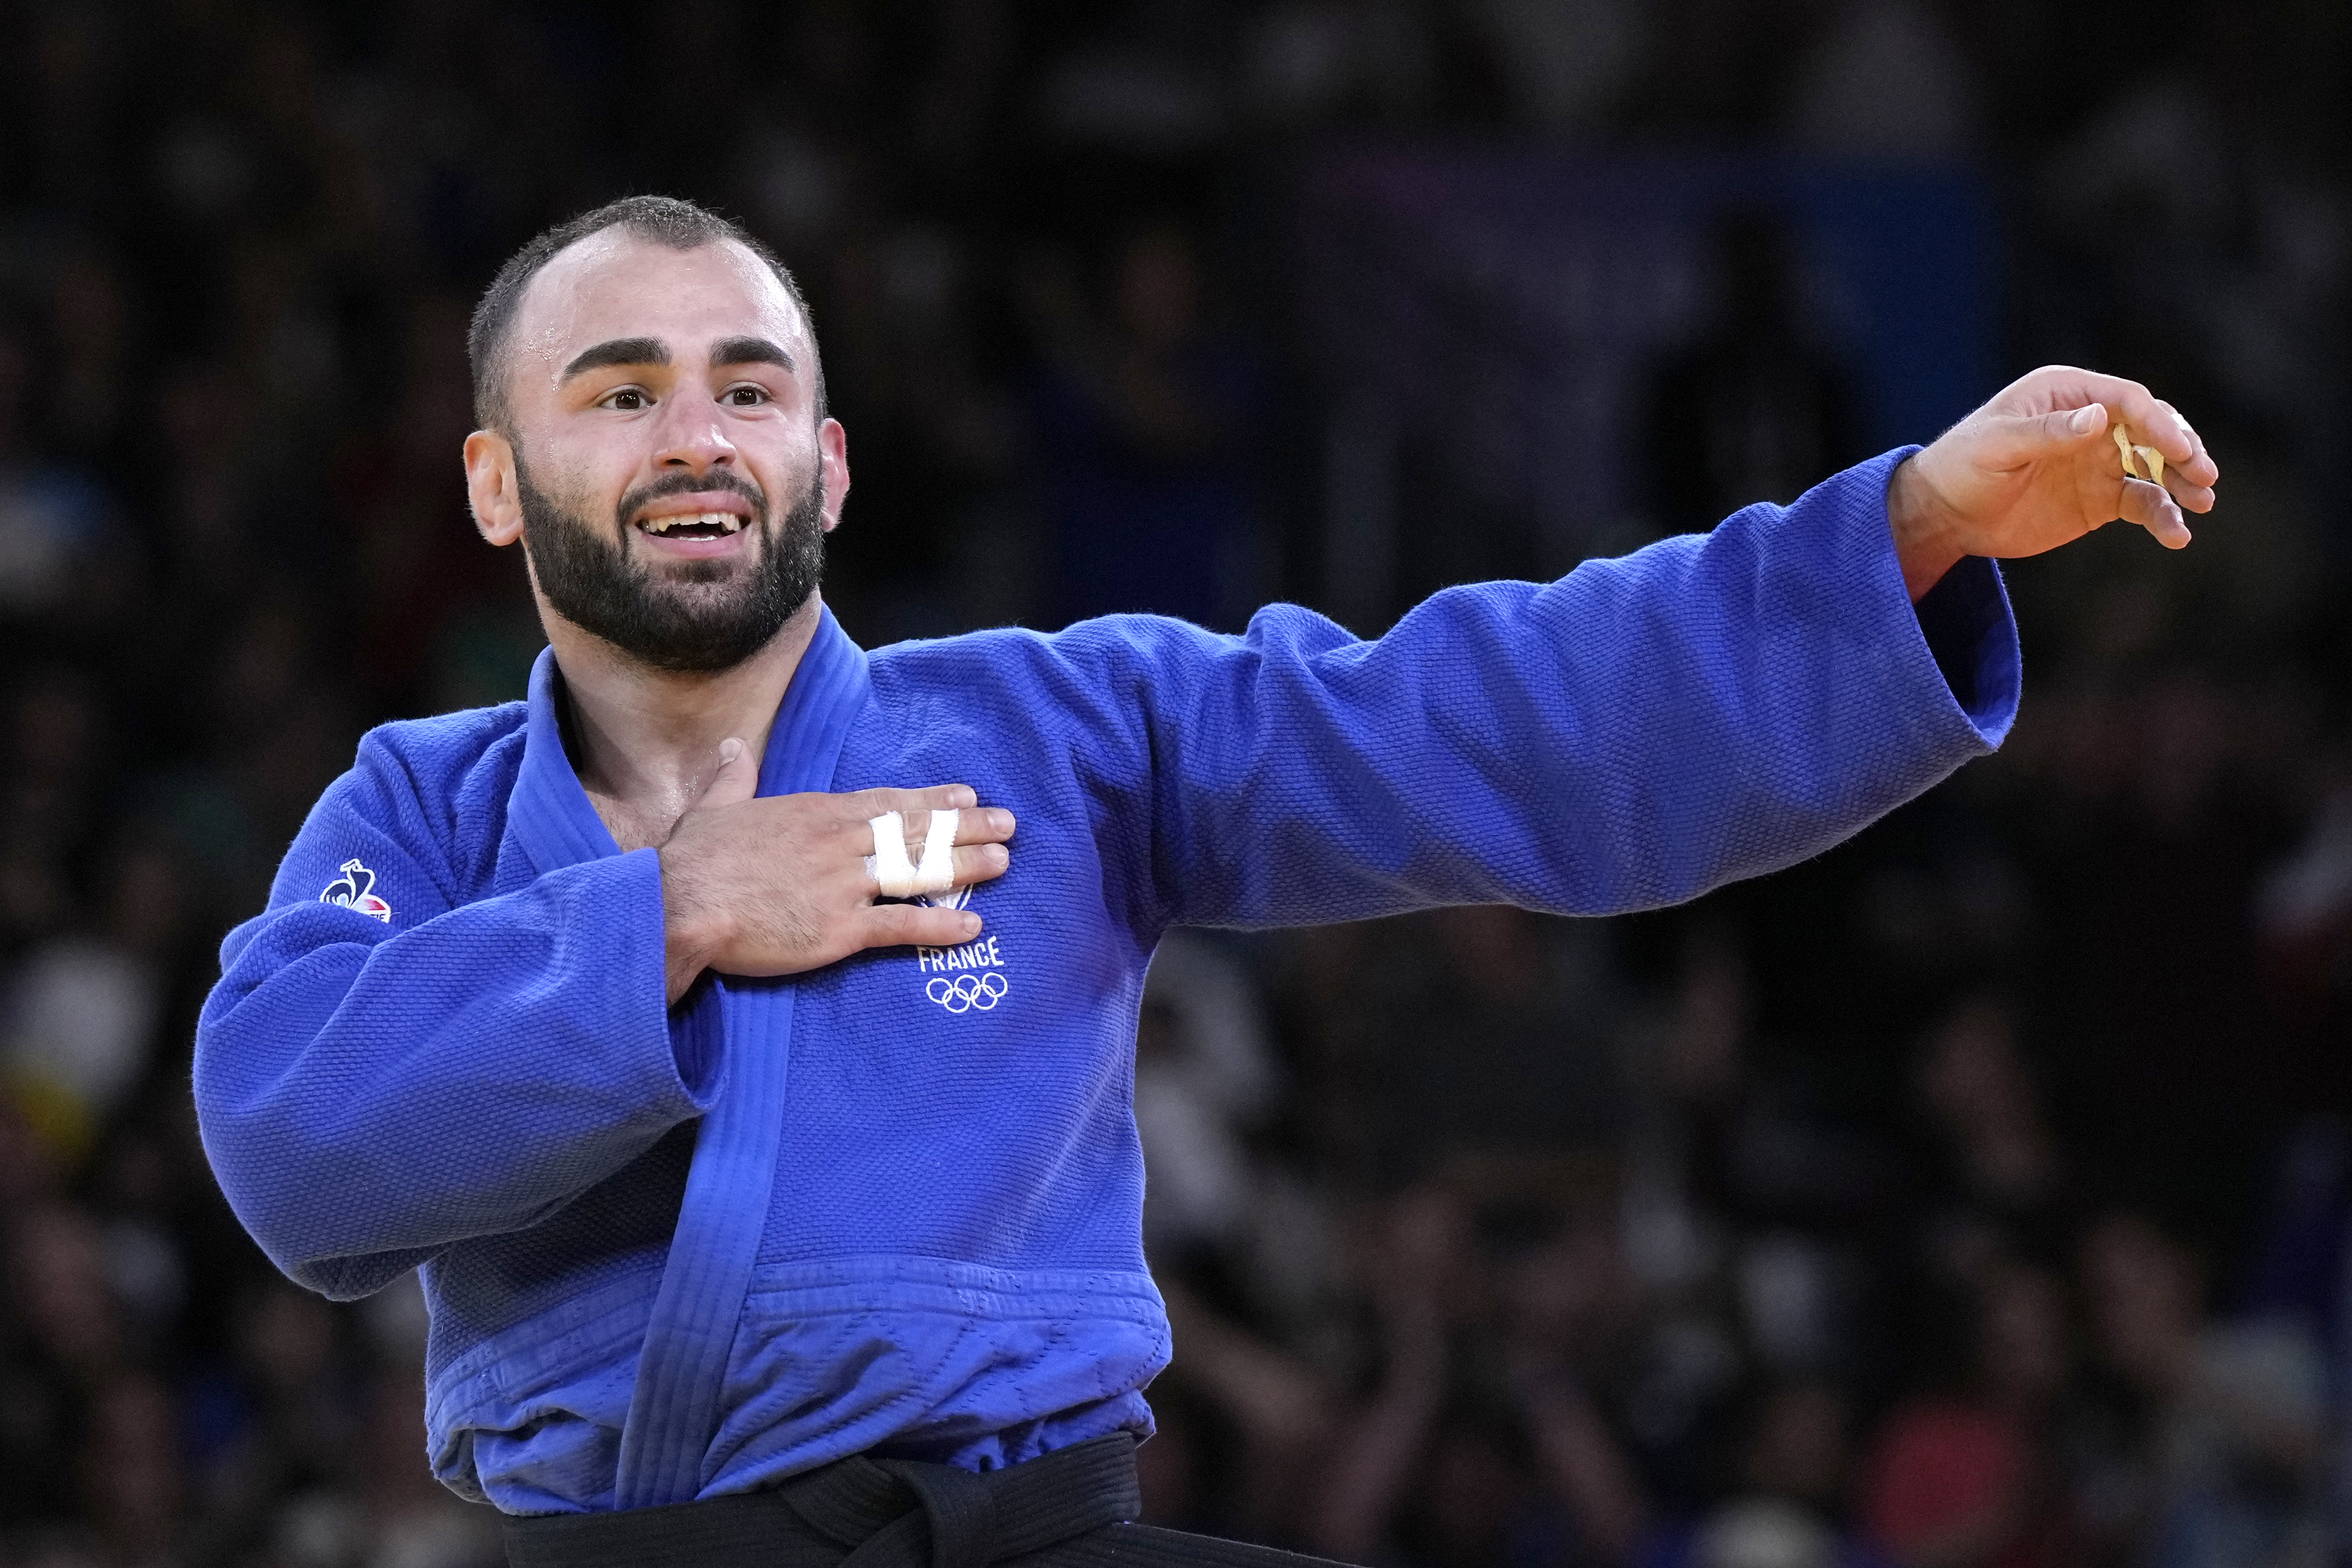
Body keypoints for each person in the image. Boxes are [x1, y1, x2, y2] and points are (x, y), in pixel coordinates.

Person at [190, 196, 2219, 1563]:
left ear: (830, 461)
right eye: (618, 390)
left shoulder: (1073, 732)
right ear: (492, 477)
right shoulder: (427, 812)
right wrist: (682, 912)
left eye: (749, 386)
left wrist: (1905, 538)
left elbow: (1489, 712)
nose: (696, 432)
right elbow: (291, 1139)